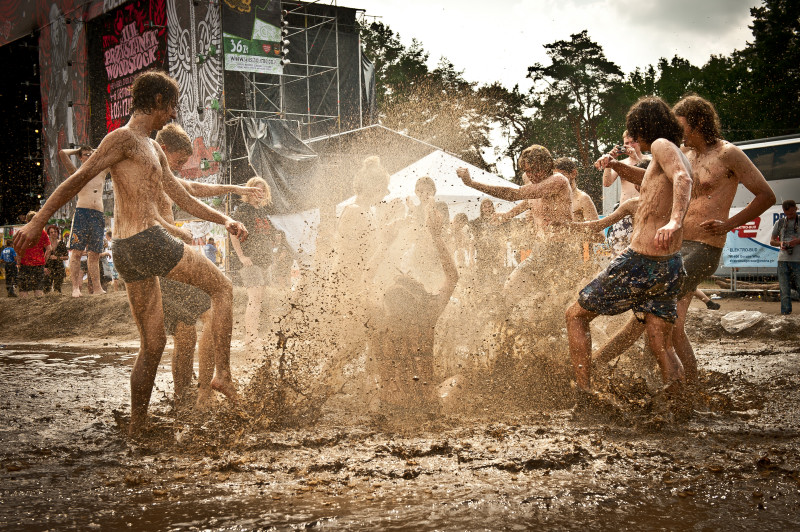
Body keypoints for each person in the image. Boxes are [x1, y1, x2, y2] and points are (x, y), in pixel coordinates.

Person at [13, 70, 249, 436]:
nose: (173, 114)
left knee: (153, 343)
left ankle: (137, 427)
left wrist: (225, 219)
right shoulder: (122, 138)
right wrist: (36, 223)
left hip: (126, 249)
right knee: (223, 289)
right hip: (146, 241)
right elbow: (75, 180)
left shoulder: (153, 147)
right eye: (171, 106)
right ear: (156, 102)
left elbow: (182, 195)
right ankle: (223, 376)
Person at [592, 95, 775, 385]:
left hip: (703, 248)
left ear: (698, 123)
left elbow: (767, 195)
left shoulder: (728, 153)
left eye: (679, 126)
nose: (673, 132)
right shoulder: (685, 154)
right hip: (674, 248)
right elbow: (650, 179)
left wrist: (729, 224)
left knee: (646, 315)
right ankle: (688, 386)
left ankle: (597, 364)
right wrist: (617, 166)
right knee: (671, 327)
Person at [565, 96, 693, 404]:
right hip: (668, 262)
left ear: (643, 126)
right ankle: (680, 404)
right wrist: (617, 165)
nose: (632, 138)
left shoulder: (662, 144)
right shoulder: (673, 151)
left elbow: (682, 178)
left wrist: (675, 221)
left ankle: (584, 392)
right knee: (661, 342)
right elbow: (650, 180)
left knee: (575, 315)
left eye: (633, 131)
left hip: (641, 260)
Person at [153, 122, 265, 408]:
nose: (178, 168)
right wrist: (172, 228)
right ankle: (190, 396)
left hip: (171, 258)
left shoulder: (165, 175)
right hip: (158, 257)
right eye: (178, 161)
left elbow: (194, 188)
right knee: (187, 329)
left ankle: (202, 394)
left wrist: (235, 187)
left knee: (202, 321)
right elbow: (138, 215)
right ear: (164, 149)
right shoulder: (146, 168)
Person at [458, 145, 574, 310]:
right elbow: (528, 202)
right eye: (527, 171)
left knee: (555, 304)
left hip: (561, 251)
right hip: (540, 249)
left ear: (547, 165)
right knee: (512, 290)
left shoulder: (558, 181)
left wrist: (472, 183)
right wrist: (506, 216)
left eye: (535, 170)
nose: (531, 175)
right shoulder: (535, 184)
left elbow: (514, 194)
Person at [368, 202, 458, 411]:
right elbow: (452, 277)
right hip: (426, 406)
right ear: (417, 297)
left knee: (370, 382)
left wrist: (384, 244)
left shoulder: (379, 318)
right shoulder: (427, 316)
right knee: (458, 380)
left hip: (389, 406)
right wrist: (436, 236)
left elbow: (365, 282)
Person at [230, 176, 274, 352]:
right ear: (249, 191)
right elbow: (233, 233)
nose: (260, 193)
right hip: (249, 260)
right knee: (254, 299)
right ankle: (250, 338)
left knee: (259, 300)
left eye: (263, 190)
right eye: (256, 190)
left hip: (264, 260)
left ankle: (253, 335)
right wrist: (241, 256)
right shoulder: (243, 210)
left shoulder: (261, 211)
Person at [58, 145, 108, 297]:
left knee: (94, 254)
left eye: (91, 154)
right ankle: (75, 288)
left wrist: (97, 151)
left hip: (98, 214)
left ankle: (97, 287)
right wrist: (78, 150)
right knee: (77, 252)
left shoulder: (102, 171)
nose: (89, 156)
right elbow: (62, 153)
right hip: (82, 213)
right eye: (86, 155)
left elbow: (112, 156)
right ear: (80, 157)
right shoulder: (77, 173)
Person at [596, 131, 647, 256]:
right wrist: (609, 161)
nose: (629, 146)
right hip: (625, 211)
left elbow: (646, 176)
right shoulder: (621, 163)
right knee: (618, 252)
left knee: (641, 250)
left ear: (640, 142)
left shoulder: (650, 160)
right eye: (626, 143)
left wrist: (635, 158)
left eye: (632, 142)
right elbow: (607, 183)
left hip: (644, 210)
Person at [770, 199, 800, 315]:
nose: (790, 215)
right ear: (783, 211)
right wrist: (781, 244)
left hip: (798, 260)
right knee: (784, 290)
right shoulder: (780, 222)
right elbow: (772, 241)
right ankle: (785, 314)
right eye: (787, 213)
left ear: (796, 209)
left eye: (792, 213)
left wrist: (797, 241)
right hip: (782, 260)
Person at [18, 211, 51, 298]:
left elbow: (19, 249)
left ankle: (25, 310)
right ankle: (38, 310)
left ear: (27, 220)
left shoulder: (23, 232)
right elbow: (49, 249)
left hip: (25, 264)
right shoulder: (42, 233)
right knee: (38, 288)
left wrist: (18, 263)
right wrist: (44, 261)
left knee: (23, 289)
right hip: (39, 264)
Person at [554, 157, 598, 222]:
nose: (557, 180)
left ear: (573, 173)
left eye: (561, 175)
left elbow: (597, 230)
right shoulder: (552, 198)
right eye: (555, 176)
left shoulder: (582, 198)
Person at [42, 225, 68, 293]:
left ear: (58, 233)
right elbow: (41, 256)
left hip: (59, 268)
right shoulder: (45, 244)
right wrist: (43, 267)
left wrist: (58, 258)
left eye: (55, 232)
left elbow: (67, 257)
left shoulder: (61, 243)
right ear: (48, 234)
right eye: (51, 232)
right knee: (46, 288)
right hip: (48, 267)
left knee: (57, 288)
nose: (53, 233)